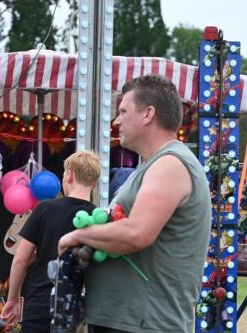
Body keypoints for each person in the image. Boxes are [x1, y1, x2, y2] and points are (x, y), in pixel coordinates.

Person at [58, 75, 212, 333]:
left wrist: (77, 235)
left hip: (146, 324)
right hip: (127, 322)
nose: (116, 120)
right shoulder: (153, 165)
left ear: (148, 114)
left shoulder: (170, 164)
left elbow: (137, 233)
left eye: (123, 111)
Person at [1, 150, 101, 333]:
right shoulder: (98, 218)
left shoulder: (44, 209)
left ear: (69, 175)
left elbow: (21, 259)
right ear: (94, 183)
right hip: (80, 309)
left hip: (41, 304)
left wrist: (12, 299)